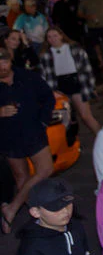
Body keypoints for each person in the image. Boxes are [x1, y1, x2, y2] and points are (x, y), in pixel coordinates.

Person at [0, 49, 56, 235]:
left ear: (10, 59)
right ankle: (37, 217)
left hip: (33, 132)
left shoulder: (27, 77)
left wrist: (43, 121)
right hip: (8, 137)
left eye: (4, 61)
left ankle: (11, 208)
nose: (2, 66)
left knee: (45, 170)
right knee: (21, 178)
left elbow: (48, 97)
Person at [14, 178, 96, 255]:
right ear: (35, 212)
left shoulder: (75, 226)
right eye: (55, 207)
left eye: (68, 203)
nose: (65, 211)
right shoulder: (30, 251)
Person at [38, 27, 101, 135]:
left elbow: (87, 69)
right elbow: (43, 75)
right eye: (49, 37)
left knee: (86, 116)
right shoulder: (45, 55)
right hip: (58, 86)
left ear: (61, 36)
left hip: (76, 83)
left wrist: (91, 87)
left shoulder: (75, 49)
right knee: (66, 120)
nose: (53, 39)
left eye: (55, 35)